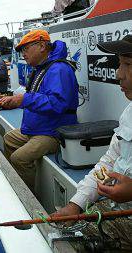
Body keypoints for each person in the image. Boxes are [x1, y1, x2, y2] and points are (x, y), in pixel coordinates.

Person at [52, 34, 132, 251]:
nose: (118, 74)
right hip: (117, 206)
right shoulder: (129, 112)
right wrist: (76, 204)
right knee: (61, 234)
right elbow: (110, 161)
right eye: (119, 64)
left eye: (128, 64)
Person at [0, 30, 79, 192]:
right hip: (40, 127)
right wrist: (16, 101)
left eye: (26, 49)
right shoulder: (42, 68)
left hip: (53, 132)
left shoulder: (59, 69)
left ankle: (27, 196)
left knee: (19, 158)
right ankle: (16, 181)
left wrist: (23, 100)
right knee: (9, 138)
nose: (24, 54)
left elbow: (57, 104)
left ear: (42, 46)